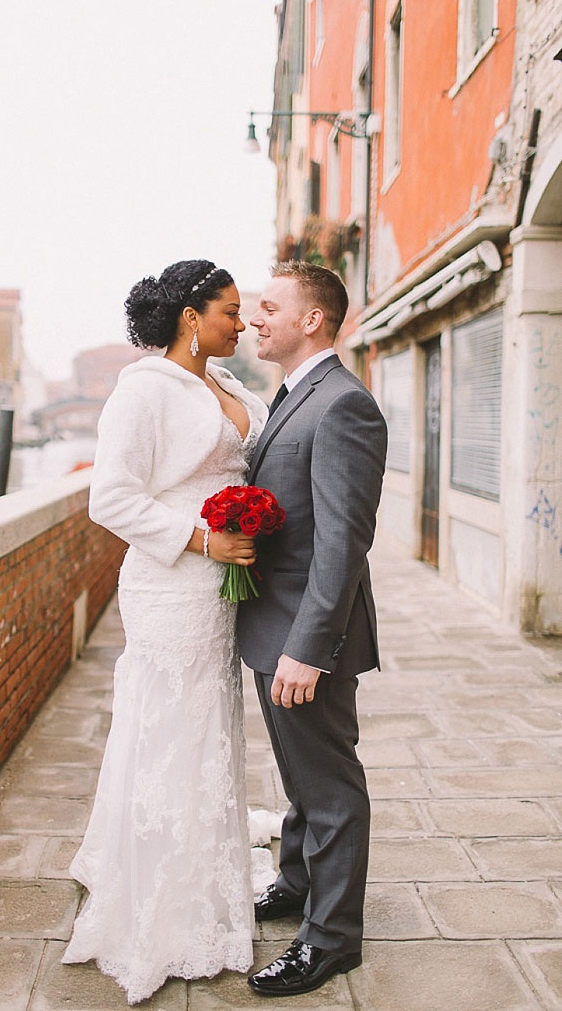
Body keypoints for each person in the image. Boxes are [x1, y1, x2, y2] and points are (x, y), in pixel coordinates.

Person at [61, 260, 268, 1004]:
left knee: (209, 727)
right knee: (169, 729)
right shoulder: (143, 390)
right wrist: (203, 541)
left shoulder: (231, 387)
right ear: (190, 315)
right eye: (230, 311)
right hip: (173, 582)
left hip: (221, 592)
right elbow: (109, 498)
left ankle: (208, 883)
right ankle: (160, 905)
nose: (240, 324)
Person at [237, 260, 387, 998]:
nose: (255, 318)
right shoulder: (293, 394)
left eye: (269, 306)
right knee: (300, 778)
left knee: (329, 788)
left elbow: (342, 545)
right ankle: (297, 882)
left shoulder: (344, 406)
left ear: (312, 321)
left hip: (304, 639)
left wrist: (308, 647)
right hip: (273, 629)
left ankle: (332, 940)